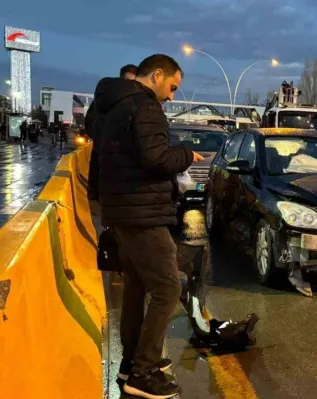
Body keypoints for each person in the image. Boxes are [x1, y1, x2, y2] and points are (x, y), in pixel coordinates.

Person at [97, 54, 203, 399]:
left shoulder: (114, 105)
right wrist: (186, 155)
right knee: (167, 288)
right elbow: (156, 157)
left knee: (136, 287)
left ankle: (130, 363)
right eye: (172, 87)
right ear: (157, 75)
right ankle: (143, 371)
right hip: (142, 212)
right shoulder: (145, 106)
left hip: (121, 211)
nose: (172, 96)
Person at [86, 64, 138, 210]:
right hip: (108, 164)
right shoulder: (110, 100)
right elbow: (90, 122)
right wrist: (103, 140)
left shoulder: (130, 101)